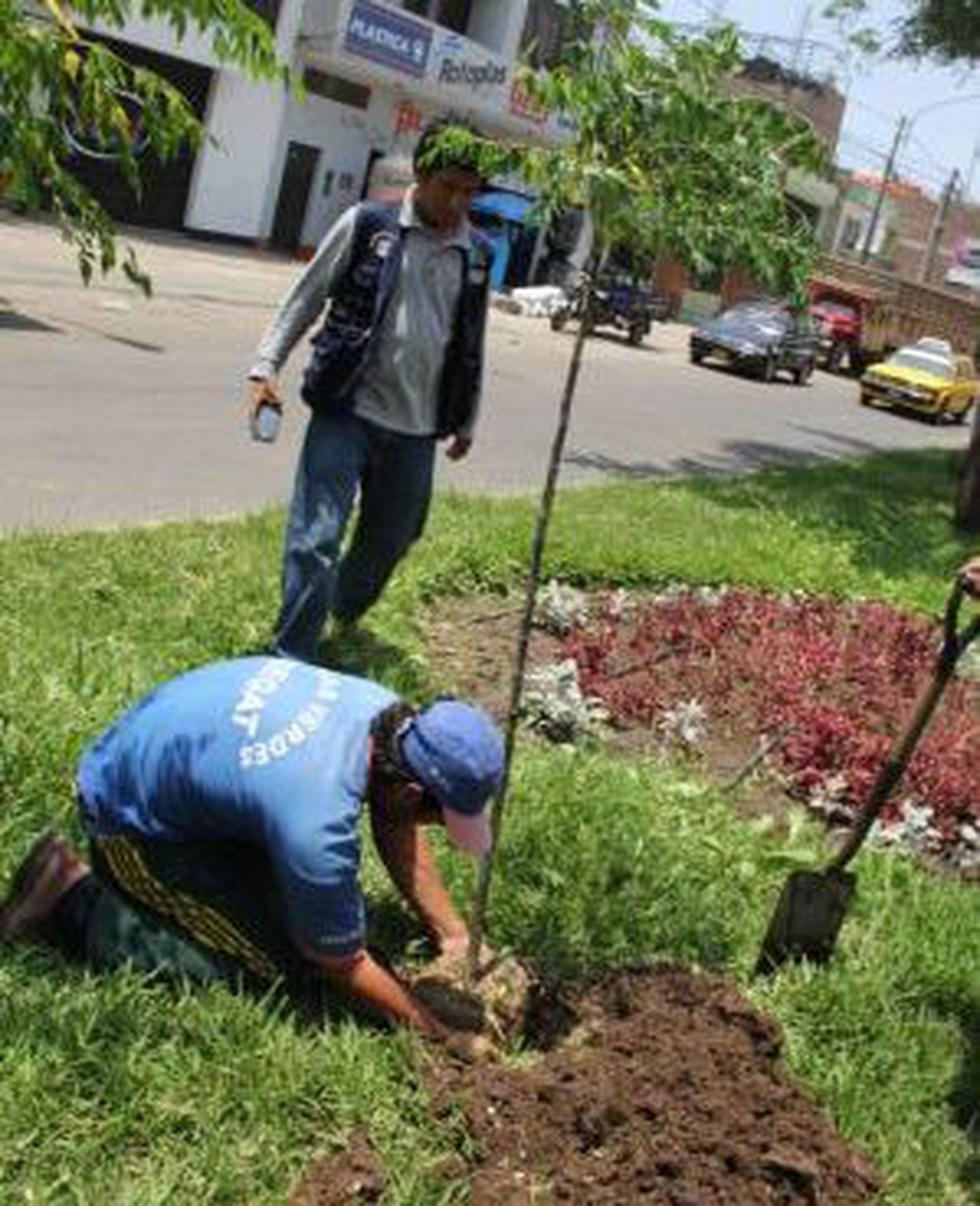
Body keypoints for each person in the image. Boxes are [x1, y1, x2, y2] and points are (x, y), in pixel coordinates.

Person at [0, 656, 503, 1050]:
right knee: (278, 966)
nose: (433, 827)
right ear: (413, 793)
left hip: (184, 760)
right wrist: (433, 1031)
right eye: (437, 817)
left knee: (289, 910)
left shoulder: (386, 718)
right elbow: (339, 961)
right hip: (129, 817)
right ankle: (72, 896)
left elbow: (394, 820)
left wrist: (454, 936)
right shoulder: (315, 817)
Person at [248, 119, 494, 661]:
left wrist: (468, 418)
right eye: (448, 186)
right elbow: (306, 296)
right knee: (316, 539)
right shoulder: (368, 224)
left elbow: (471, 340)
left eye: (469, 192)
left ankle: (337, 607)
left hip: (416, 428)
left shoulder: (476, 252)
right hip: (348, 408)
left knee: (393, 539)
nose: (457, 201)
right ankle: (292, 655)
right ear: (422, 174)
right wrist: (266, 367)